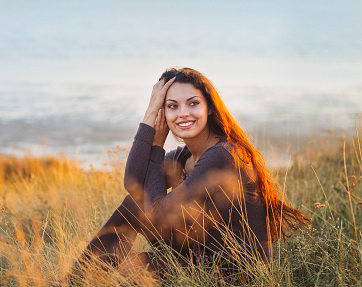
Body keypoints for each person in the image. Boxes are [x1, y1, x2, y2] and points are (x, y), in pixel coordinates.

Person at [70, 67, 310, 281]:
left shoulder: (223, 156)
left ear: (210, 108)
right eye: (172, 106)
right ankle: (77, 280)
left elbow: (156, 213)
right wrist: (149, 116)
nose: (183, 113)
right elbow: (133, 184)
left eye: (193, 103)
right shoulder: (181, 158)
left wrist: (155, 148)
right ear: (163, 113)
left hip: (234, 275)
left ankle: (78, 280)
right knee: (134, 204)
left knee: (135, 266)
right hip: (197, 257)